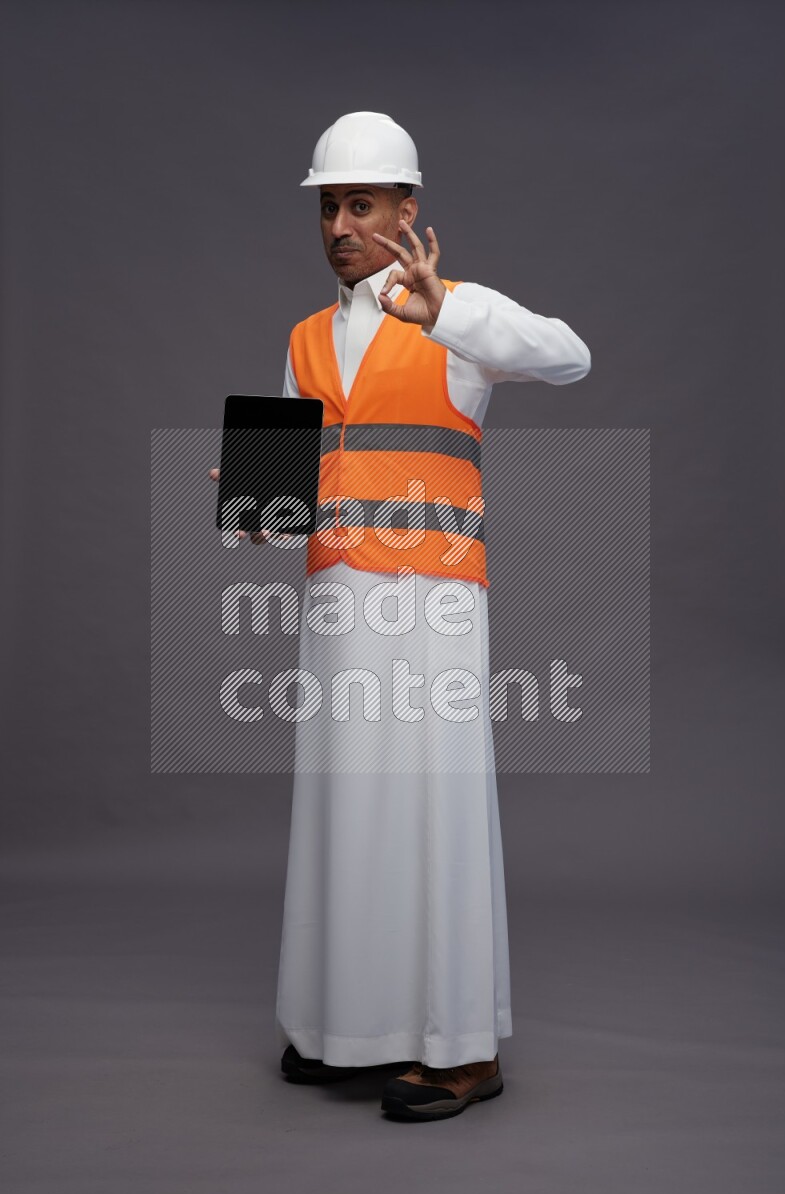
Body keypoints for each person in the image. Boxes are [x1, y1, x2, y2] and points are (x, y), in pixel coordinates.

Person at [211, 111, 590, 1121]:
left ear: (405, 210)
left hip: (430, 608)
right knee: (347, 815)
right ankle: (349, 1032)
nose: (341, 220)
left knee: (435, 809)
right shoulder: (300, 340)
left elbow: (571, 357)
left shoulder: (453, 312)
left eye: (362, 202)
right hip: (335, 607)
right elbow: (281, 504)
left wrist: (450, 317)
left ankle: (464, 1051)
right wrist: (250, 513)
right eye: (329, 204)